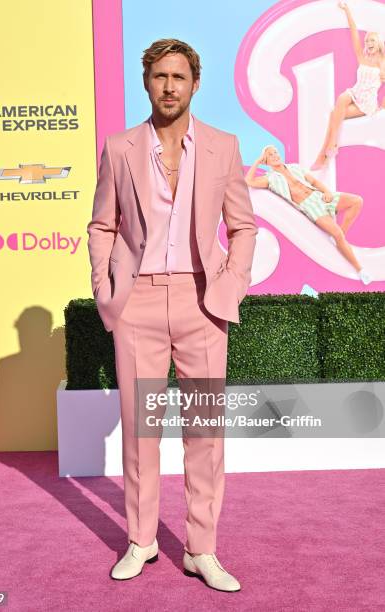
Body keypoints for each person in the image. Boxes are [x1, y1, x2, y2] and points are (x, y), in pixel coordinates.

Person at [87, 38, 257, 591]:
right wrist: (106, 288)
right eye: (160, 76)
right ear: (146, 82)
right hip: (136, 304)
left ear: (195, 83)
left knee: (205, 433)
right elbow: (102, 226)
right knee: (142, 433)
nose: (169, 86)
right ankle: (141, 541)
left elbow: (242, 226)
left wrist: (230, 285)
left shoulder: (223, 146)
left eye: (178, 77)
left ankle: (201, 549)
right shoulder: (119, 147)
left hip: (202, 302)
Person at [245, 145, 371, 284]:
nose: (275, 155)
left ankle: (342, 238)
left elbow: (315, 182)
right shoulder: (270, 178)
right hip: (310, 206)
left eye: (276, 152)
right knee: (337, 234)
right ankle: (360, 269)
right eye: (270, 155)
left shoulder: (294, 167)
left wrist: (327, 192)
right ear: (266, 161)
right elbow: (249, 181)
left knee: (357, 201)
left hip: (320, 196)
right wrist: (257, 161)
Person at [311, 1, 385, 170]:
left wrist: (383, 105)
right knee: (342, 98)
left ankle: (323, 154)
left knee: (333, 114)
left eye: (372, 40)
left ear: (379, 42)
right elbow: (353, 32)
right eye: (367, 41)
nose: (368, 43)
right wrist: (347, 11)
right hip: (354, 93)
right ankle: (332, 147)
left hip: (366, 103)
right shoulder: (362, 57)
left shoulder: (383, 63)